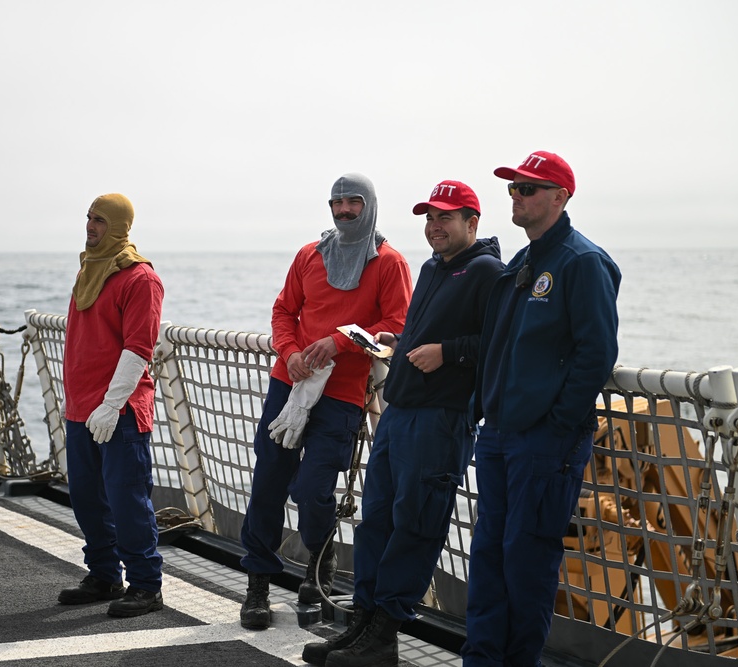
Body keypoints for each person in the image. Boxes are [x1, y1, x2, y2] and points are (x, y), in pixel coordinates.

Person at [303, 180, 504, 667]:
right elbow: (424, 331)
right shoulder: (434, 268)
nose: (434, 227)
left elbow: (500, 344)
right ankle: (363, 626)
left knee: (415, 525)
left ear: (471, 223)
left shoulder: (488, 272)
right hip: (400, 411)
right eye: (429, 218)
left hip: (441, 419)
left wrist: (449, 352)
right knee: (377, 523)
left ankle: (385, 632)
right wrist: (396, 336)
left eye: (446, 218)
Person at [461, 152, 622, 666]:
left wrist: (557, 421)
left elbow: (596, 353)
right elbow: (498, 345)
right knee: (488, 556)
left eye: (529, 188)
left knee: (526, 561)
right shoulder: (521, 263)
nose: (518, 196)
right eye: (513, 189)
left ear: (560, 196)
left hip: (544, 440)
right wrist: (482, 405)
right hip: (500, 433)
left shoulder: (581, 262)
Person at [238, 173, 412, 630]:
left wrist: (339, 343)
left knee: (313, 489)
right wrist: (289, 352)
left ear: (369, 205)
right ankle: (258, 580)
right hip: (288, 383)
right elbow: (283, 311)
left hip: (342, 391)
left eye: (353, 202)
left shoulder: (390, 262)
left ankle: (319, 563)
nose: (343, 211)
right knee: (269, 481)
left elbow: (398, 324)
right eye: (336, 203)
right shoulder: (308, 255)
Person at [57, 193, 167, 619]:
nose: (91, 226)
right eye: (88, 217)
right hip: (80, 408)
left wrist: (110, 403)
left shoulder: (141, 279)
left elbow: (139, 348)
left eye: (100, 220)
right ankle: (104, 574)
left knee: (127, 500)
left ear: (120, 225)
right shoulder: (89, 269)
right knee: (86, 498)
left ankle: (145, 584)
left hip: (119, 410)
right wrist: (83, 405)